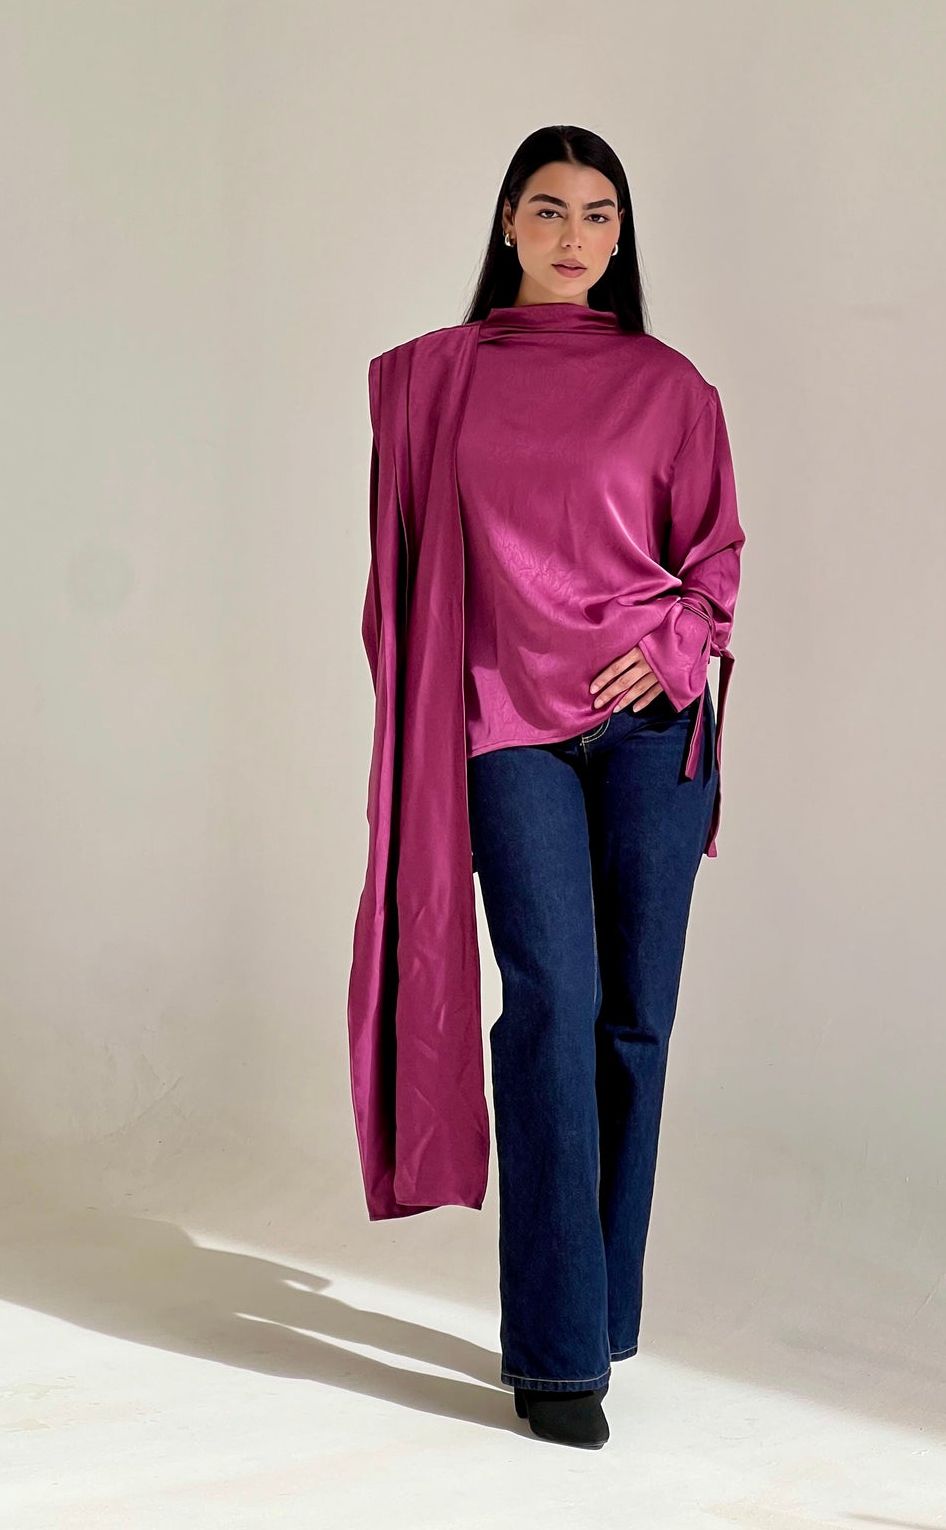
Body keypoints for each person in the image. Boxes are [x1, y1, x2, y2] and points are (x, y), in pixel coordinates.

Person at [351, 125, 745, 1450]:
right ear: (508, 224)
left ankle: (600, 1313)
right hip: (504, 725)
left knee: (633, 1021)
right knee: (550, 1009)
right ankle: (558, 1358)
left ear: (620, 237)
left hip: (647, 735)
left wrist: (672, 649)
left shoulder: (671, 388)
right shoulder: (437, 382)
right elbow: (407, 573)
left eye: (599, 213)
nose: (575, 235)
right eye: (550, 209)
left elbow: (714, 558)